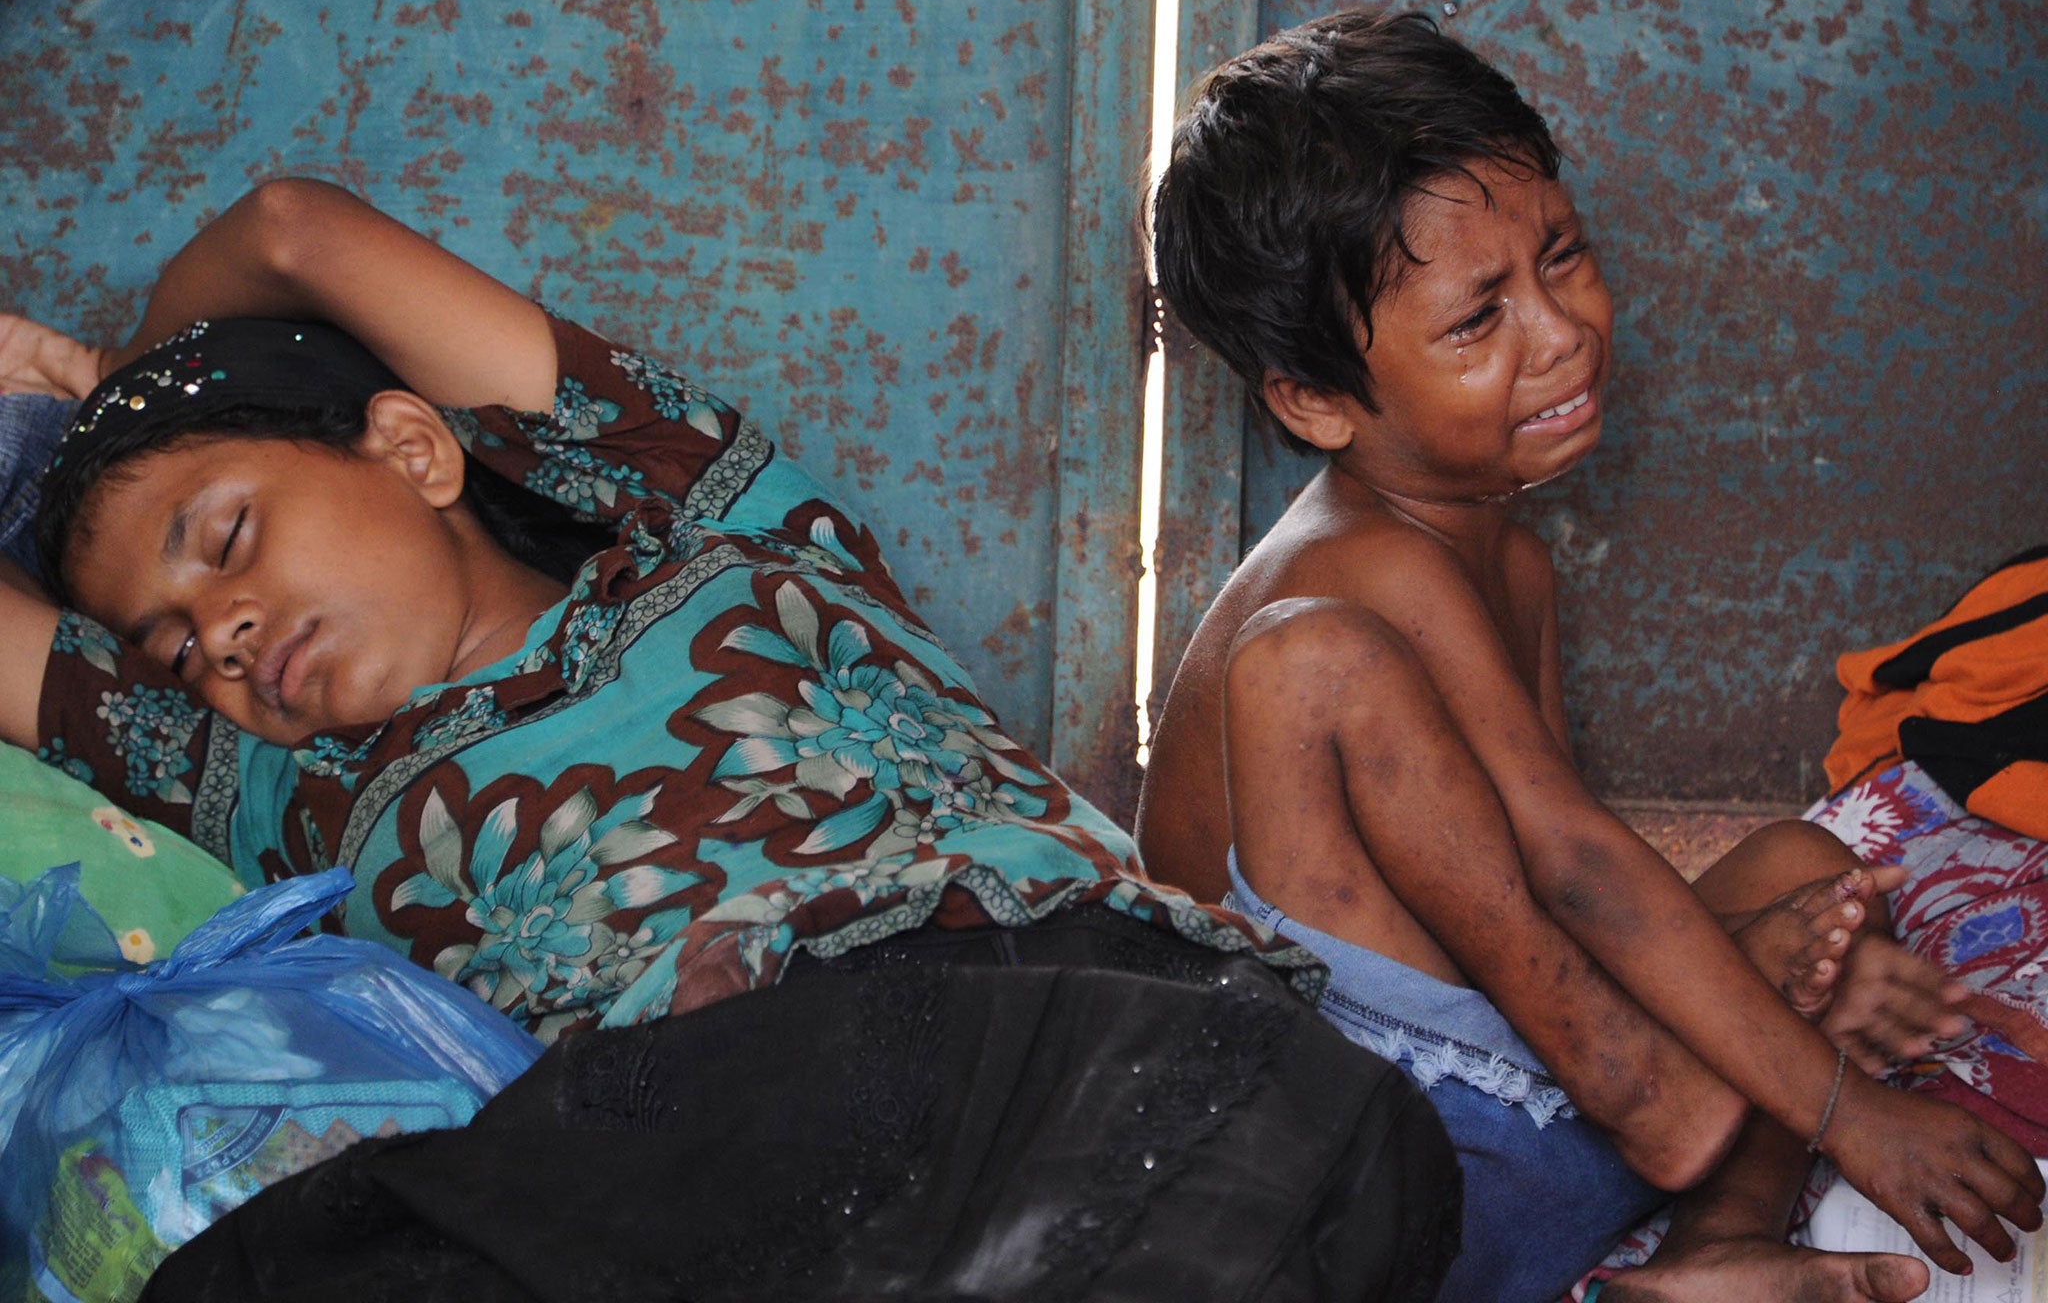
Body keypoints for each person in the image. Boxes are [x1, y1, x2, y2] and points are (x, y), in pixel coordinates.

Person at [0, 178, 1458, 1297]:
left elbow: (290, 228)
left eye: (230, 537)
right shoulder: (277, 787)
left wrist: (117, 394)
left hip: (1044, 1006)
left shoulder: (705, 519)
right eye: (176, 644)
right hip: (674, 1138)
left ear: (412, 448)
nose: (225, 634)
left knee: (1246, 1152)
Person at [1138, 9, 2043, 1302]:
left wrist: (1763, 968)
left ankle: (1710, 1248)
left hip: (1537, 1106)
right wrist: (1846, 1107)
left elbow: (1534, 873)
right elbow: (1564, 869)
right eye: (1478, 320)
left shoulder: (1507, 556)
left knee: (1814, 868)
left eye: (1562, 257)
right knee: (1313, 661)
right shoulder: (1361, 567)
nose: (1559, 331)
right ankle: (1682, 1112)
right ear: (1317, 397)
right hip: (1375, 1151)